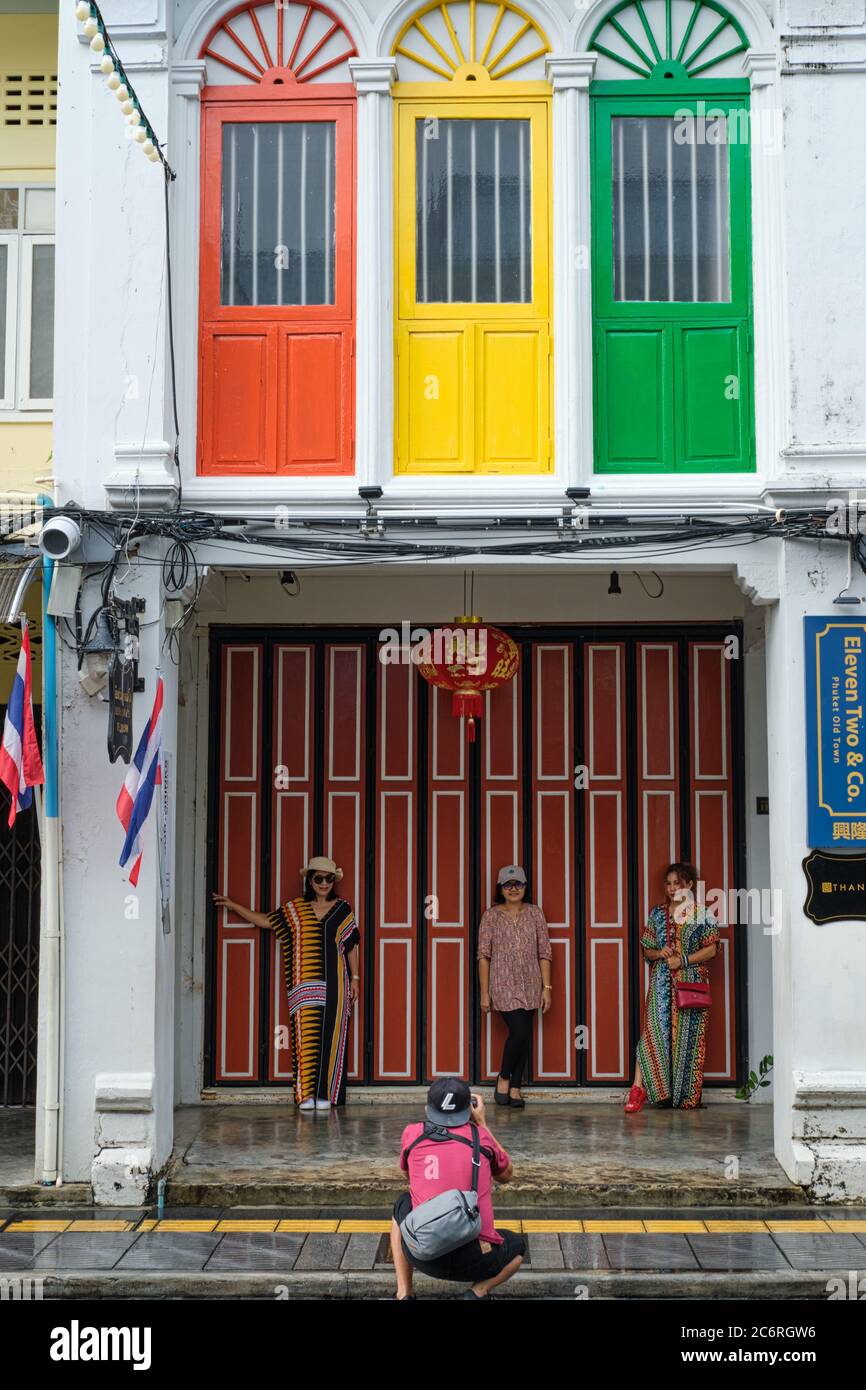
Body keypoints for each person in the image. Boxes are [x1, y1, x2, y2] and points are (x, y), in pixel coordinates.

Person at [212, 855, 360, 1111]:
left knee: (332, 1038)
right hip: (303, 983)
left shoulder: (343, 909)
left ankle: (326, 1094)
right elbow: (266, 921)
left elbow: (351, 947)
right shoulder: (294, 910)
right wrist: (234, 906)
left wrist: (355, 978)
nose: (324, 883)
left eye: (328, 879)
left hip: (337, 984)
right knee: (305, 1037)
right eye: (318, 879)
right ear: (310, 881)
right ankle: (306, 1095)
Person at [391, 1078, 525, 1300]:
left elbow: (408, 1175)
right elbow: (507, 1175)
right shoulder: (481, 1137)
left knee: (402, 1204)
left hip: (422, 1254)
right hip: (477, 1259)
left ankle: (404, 1293)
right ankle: (477, 1292)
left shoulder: (413, 1134)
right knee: (517, 1249)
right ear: (469, 1109)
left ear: (428, 1109)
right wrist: (482, 1124)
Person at [624, 861, 719, 1113]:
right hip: (662, 984)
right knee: (653, 1034)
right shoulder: (657, 914)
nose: (672, 887)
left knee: (688, 1040)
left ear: (689, 885)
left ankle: (682, 1097)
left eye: (677, 882)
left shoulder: (702, 914)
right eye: (668, 883)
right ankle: (639, 1088)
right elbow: (647, 948)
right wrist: (659, 952)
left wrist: (684, 959)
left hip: (691, 983)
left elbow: (712, 948)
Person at [477, 865, 552, 1108]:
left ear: (525, 887)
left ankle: (516, 1088)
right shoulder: (491, 916)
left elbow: (545, 953)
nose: (513, 889)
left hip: (531, 984)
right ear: (500, 888)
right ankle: (505, 1076)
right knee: (519, 1032)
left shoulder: (535, 914)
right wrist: (484, 993)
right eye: (508, 885)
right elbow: (483, 956)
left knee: (524, 1034)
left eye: (518, 884)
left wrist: (547, 987)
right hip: (503, 984)